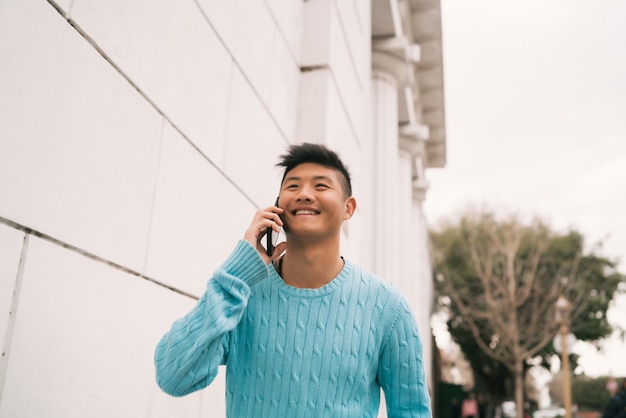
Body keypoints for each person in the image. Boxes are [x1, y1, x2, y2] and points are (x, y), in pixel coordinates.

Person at [154, 143, 432, 417]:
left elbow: (412, 412)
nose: (304, 194)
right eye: (293, 186)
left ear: (349, 208)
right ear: (277, 207)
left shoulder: (388, 307)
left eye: (321, 186)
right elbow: (172, 376)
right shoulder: (241, 292)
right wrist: (239, 269)